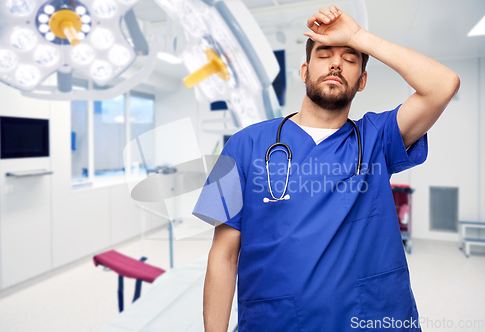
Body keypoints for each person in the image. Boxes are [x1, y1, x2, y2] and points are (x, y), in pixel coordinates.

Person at [193, 4, 460, 332]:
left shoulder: (376, 139)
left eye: (350, 59)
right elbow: (223, 255)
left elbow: (443, 84)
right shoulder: (242, 145)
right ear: (304, 72)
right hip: (276, 323)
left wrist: (360, 37)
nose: (336, 62)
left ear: (361, 81)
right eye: (324, 54)